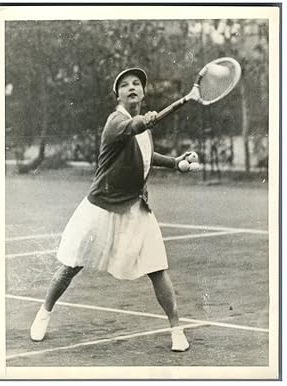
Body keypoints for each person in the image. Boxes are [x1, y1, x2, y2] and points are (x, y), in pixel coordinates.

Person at [30, 67, 196, 352]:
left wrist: (175, 162)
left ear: (143, 92)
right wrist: (146, 120)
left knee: (157, 269)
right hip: (101, 207)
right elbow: (134, 128)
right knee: (71, 265)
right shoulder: (116, 120)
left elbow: (145, 153)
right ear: (117, 94)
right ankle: (44, 313)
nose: (132, 87)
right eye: (125, 84)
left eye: (137, 84)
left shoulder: (139, 124)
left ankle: (176, 329)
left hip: (135, 207)